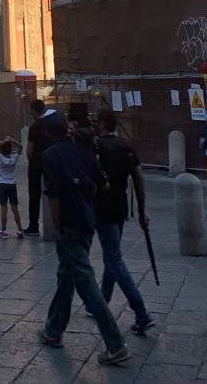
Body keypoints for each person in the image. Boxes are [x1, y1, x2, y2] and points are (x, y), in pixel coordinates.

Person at [41, 114, 129, 367]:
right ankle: (53, 330)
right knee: (66, 275)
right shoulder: (84, 149)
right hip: (87, 221)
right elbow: (103, 184)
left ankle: (115, 344)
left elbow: (54, 197)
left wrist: (56, 227)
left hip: (68, 223)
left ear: (49, 133)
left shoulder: (51, 155)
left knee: (85, 282)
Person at [92, 109, 154, 335]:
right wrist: (142, 211)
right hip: (120, 208)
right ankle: (102, 300)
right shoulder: (126, 146)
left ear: (102, 124)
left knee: (114, 259)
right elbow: (138, 178)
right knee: (112, 254)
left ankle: (141, 313)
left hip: (102, 208)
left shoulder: (97, 147)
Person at [24, 99, 63, 236]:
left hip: (37, 162)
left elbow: (29, 150)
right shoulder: (57, 119)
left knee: (34, 194)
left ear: (33, 111)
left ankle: (33, 226)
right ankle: (58, 224)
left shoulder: (35, 126)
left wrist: (31, 161)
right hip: (54, 160)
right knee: (54, 191)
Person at [0, 134, 24, 238]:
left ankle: (3, 231)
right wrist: (12, 140)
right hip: (12, 185)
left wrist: (5, 140)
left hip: (3, 184)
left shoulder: (1, 157)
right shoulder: (14, 157)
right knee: (15, 208)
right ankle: (20, 230)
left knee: (4, 208)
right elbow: (21, 146)